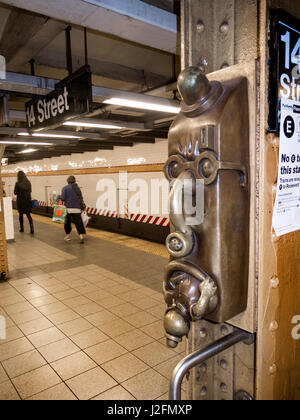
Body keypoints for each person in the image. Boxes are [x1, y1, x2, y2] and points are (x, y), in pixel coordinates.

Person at [61, 175, 86, 244]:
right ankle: (81, 236)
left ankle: (68, 236)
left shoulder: (65, 188)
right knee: (78, 223)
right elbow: (81, 197)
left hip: (68, 209)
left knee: (67, 223)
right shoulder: (77, 188)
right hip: (77, 209)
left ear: (68, 181)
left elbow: (63, 198)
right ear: (74, 181)